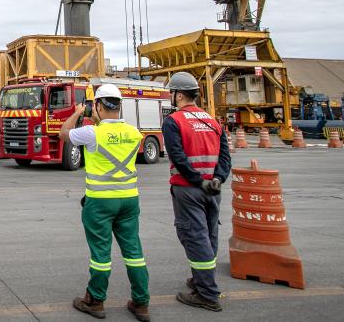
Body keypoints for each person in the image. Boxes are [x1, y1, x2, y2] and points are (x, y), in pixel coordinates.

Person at [59, 84, 150, 321]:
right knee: (134, 251)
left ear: (97, 105)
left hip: (100, 202)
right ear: (120, 106)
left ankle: (95, 300)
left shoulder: (92, 133)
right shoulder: (134, 132)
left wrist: (79, 113)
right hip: (129, 200)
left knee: (101, 253)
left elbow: (63, 133)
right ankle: (141, 303)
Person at [162, 72, 232, 312]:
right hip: (213, 190)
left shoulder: (174, 121)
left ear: (179, 94)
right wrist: (218, 179)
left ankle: (207, 294)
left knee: (194, 236)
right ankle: (202, 279)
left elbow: (178, 156)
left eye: (172, 93)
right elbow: (225, 157)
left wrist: (197, 180)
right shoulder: (212, 121)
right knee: (209, 236)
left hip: (188, 189)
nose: (171, 97)